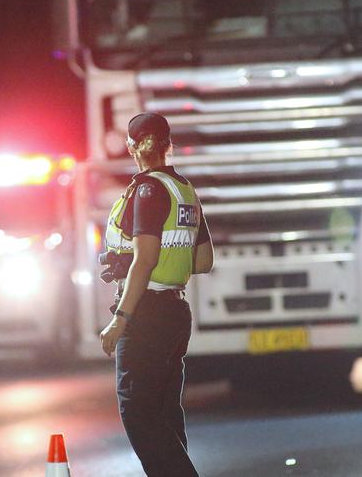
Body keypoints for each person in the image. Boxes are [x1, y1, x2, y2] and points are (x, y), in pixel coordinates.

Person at [99, 112, 214, 477]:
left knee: (140, 415)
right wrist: (133, 261)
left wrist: (120, 320)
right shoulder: (184, 190)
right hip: (175, 313)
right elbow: (202, 260)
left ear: (132, 146)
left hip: (145, 316)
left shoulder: (147, 190)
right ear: (168, 144)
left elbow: (146, 260)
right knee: (165, 415)